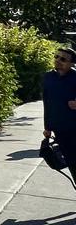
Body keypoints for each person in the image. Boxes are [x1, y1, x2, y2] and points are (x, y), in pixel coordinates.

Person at [43, 47, 76, 181]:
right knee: (71, 164)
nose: (58, 60)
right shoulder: (48, 77)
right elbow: (47, 103)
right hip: (60, 130)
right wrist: (47, 127)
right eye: (56, 57)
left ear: (72, 63)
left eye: (63, 59)